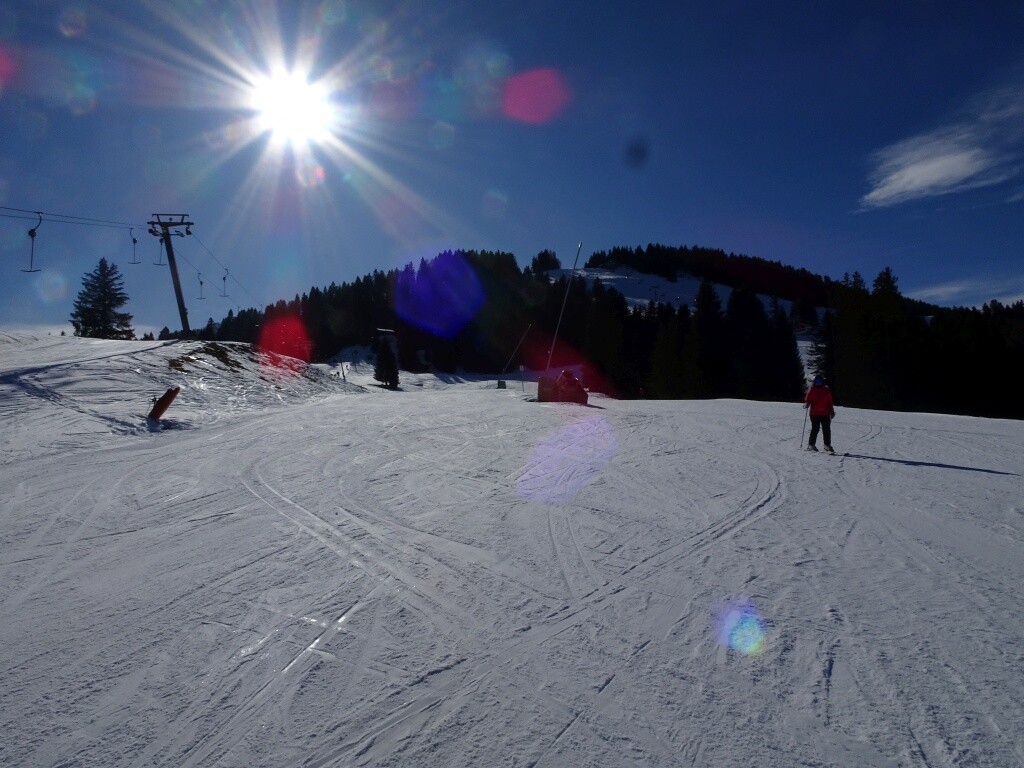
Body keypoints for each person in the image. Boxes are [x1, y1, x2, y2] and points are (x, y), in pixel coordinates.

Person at [804, 375, 836, 453]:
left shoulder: (826, 390)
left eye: (819, 381)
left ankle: (827, 445)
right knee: (815, 429)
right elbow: (807, 399)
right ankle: (811, 445)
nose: (818, 383)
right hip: (814, 414)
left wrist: (832, 411)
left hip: (825, 413)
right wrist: (807, 403)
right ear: (814, 382)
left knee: (826, 429)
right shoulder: (812, 390)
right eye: (817, 382)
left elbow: (830, 402)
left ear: (822, 382)